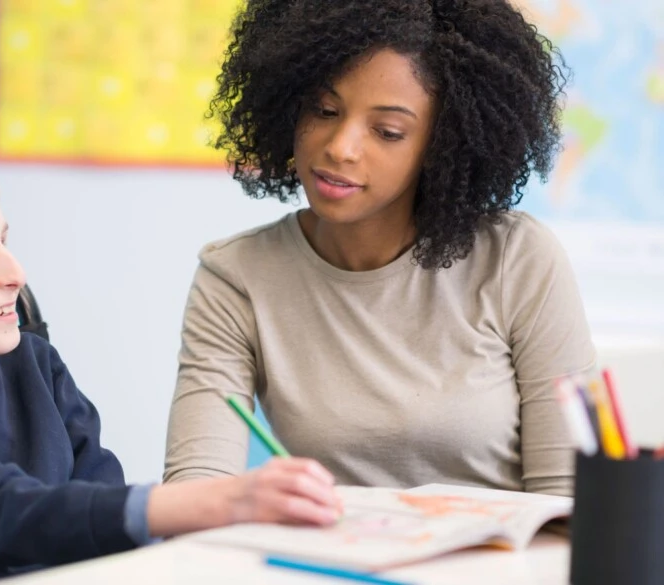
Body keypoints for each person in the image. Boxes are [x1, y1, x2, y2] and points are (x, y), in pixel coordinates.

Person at [164, 0, 595, 497]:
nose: (340, 147)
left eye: (387, 131)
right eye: (324, 110)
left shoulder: (518, 260)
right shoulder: (236, 276)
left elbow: (569, 502)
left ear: (443, 145)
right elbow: (194, 492)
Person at [0, 139, 342, 585]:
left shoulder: (34, 360)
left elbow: (100, 498)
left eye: (3, 241)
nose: (15, 274)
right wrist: (215, 501)